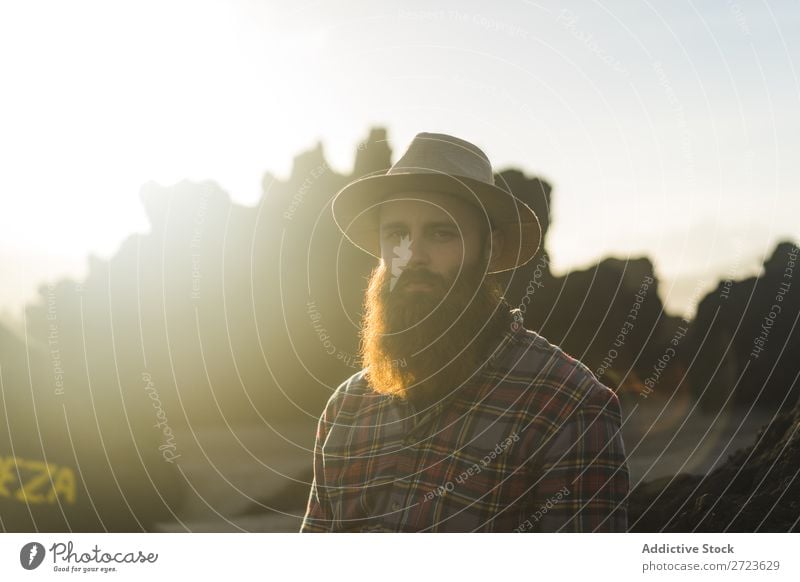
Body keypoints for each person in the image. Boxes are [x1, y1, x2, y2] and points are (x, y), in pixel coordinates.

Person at [300, 132, 629, 532]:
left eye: (442, 233)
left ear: (490, 249)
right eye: (396, 234)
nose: (414, 256)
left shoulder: (568, 409)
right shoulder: (346, 410)